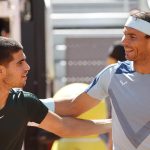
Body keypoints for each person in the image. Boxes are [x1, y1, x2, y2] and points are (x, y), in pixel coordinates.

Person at [50, 10, 150, 150]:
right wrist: (22, 103)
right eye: (124, 34)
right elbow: (73, 107)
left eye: (132, 36)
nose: (123, 42)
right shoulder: (112, 74)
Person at [0, 36, 112, 150]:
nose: (27, 67)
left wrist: (115, 124)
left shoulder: (24, 103)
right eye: (20, 63)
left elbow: (66, 125)